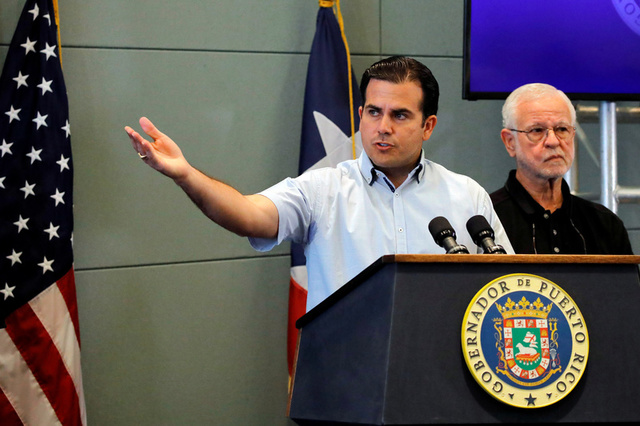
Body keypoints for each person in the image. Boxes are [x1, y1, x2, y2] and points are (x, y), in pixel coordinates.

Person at [126, 56, 513, 311]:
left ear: (428, 125)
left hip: (441, 380)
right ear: (360, 114)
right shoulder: (323, 189)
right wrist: (186, 175)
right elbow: (247, 214)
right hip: (345, 381)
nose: (383, 127)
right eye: (374, 112)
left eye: (400, 115)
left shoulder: (466, 195)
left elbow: (508, 289)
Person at [490, 83, 633, 255]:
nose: (553, 141)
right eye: (537, 130)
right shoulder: (488, 220)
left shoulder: (605, 224)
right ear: (510, 142)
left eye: (562, 129)